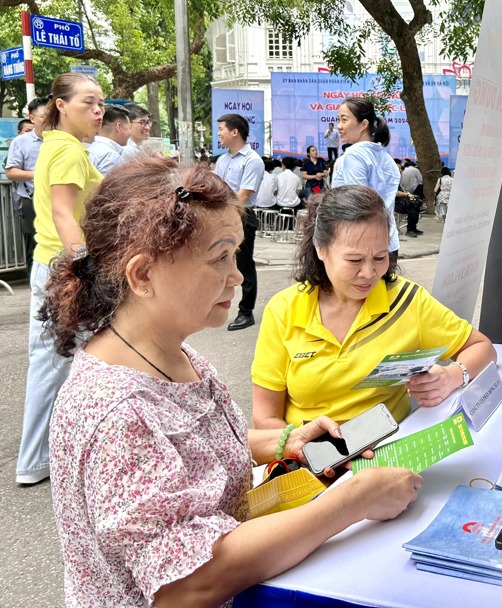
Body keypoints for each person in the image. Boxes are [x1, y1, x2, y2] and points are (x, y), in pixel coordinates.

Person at [43, 156, 421, 606]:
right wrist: (352, 501)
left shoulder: (176, 356)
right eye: (220, 257)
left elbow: (193, 447)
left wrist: (287, 441)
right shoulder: (117, 411)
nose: (237, 276)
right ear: (143, 275)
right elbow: (186, 584)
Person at [251, 185, 496, 428]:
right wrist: (313, 453)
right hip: (309, 457)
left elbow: (482, 347)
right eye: (354, 260)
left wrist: (453, 376)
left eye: (380, 257)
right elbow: (265, 419)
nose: (369, 273)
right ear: (321, 249)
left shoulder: (406, 300)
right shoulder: (284, 310)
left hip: (389, 451)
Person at [16, 73, 104, 485]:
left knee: (57, 362)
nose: (98, 111)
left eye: (101, 104)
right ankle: (37, 460)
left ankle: (46, 457)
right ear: (62, 105)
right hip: (63, 267)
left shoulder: (58, 145)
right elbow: (63, 213)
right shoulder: (66, 150)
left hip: (53, 265)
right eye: (89, 103)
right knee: (57, 364)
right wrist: (83, 263)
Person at [331, 98, 402, 269]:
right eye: (338, 120)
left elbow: (357, 206)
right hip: (388, 242)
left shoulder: (354, 155)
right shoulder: (385, 157)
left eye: (344, 119)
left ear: (363, 124)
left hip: (362, 249)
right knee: (383, 295)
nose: (339, 126)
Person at [214, 113, 265, 331]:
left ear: (235, 132)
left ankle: (246, 312)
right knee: (215, 261)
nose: (219, 134)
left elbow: (243, 196)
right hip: (221, 216)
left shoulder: (253, 160)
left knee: (243, 265)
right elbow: (213, 187)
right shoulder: (223, 160)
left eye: (222, 129)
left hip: (242, 217)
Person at [4, 95, 51, 272]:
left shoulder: (63, 139)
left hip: (60, 199)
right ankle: (36, 291)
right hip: (33, 201)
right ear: (32, 118)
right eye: (45, 116)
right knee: (37, 247)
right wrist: (40, 175)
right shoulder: (21, 142)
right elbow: (11, 172)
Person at [87, 104, 132, 175]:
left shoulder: (90, 149)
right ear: (118, 127)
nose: (130, 133)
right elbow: (111, 185)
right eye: (130, 128)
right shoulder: (111, 156)